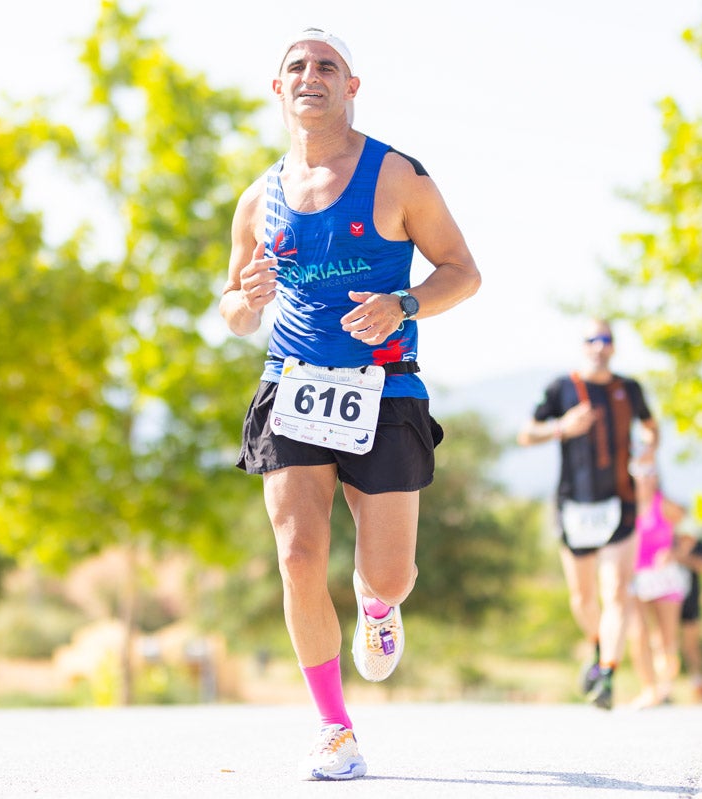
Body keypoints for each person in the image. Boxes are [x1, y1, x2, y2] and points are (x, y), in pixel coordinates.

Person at [220, 28, 480, 780]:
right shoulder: (256, 198)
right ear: (278, 89)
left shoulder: (397, 175)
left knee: (389, 574)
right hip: (292, 384)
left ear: (350, 87)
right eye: (296, 67)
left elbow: (463, 272)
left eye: (326, 66)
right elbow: (234, 307)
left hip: (386, 390)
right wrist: (248, 298)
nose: (311, 75)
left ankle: (377, 607)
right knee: (298, 554)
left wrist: (403, 303)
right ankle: (334, 727)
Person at [517, 318, 659, 710]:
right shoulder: (561, 387)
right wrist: (561, 427)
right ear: (582, 346)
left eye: (606, 340)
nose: (600, 346)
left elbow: (650, 427)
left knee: (615, 592)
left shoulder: (627, 389)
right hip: (573, 504)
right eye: (592, 340)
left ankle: (608, 674)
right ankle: (599, 648)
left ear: (614, 346)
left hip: (620, 501)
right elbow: (526, 434)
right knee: (582, 598)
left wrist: (648, 447)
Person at [626, 462, 688, 708]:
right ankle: (648, 687)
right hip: (634, 578)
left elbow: (691, 529)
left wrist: (674, 552)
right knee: (638, 633)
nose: (644, 479)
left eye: (649, 474)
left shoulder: (664, 505)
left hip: (664, 579)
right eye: (639, 474)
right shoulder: (624, 506)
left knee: (666, 637)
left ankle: (665, 686)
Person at [676, 534, 702, 702]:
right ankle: (662, 688)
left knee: (692, 646)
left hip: (690, 599)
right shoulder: (664, 536)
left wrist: (683, 558)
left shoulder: (698, 540)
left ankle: (698, 687)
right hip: (662, 599)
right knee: (661, 641)